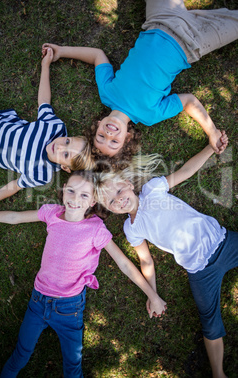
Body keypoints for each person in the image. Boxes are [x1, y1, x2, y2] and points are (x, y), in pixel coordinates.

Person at [0, 170, 167, 377]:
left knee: (72, 368)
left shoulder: (96, 229)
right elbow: (15, 217)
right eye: (71, 191)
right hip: (37, 302)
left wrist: (152, 295)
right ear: (64, 191)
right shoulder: (52, 213)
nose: (75, 199)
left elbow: (124, 264)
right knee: (20, 355)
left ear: (92, 201)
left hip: (69, 308)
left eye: (84, 195)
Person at [42, 0, 238, 166]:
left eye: (101, 136)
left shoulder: (107, 93)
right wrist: (212, 132)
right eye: (114, 142)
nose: (109, 135)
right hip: (193, 42)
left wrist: (62, 51)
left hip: (161, 19)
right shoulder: (149, 116)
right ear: (127, 138)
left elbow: (98, 56)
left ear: (99, 124)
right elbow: (188, 101)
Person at [94, 131, 237, 378]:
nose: (118, 201)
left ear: (128, 184)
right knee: (209, 322)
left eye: (118, 192)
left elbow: (186, 172)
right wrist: (153, 294)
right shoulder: (132, 229)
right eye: (111, 203)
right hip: (200, 270)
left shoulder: (152, 190)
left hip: (223, 242)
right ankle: (218, 373)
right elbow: (146, 260)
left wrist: (211, 148)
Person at [0, 47, 94, 212]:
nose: (60, 146)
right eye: (67, 141)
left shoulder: (41, 174)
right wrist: (45, 65)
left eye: (65, 154)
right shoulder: (54, 127)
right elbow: (44, 101)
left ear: (65, 167)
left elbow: (15, 185)